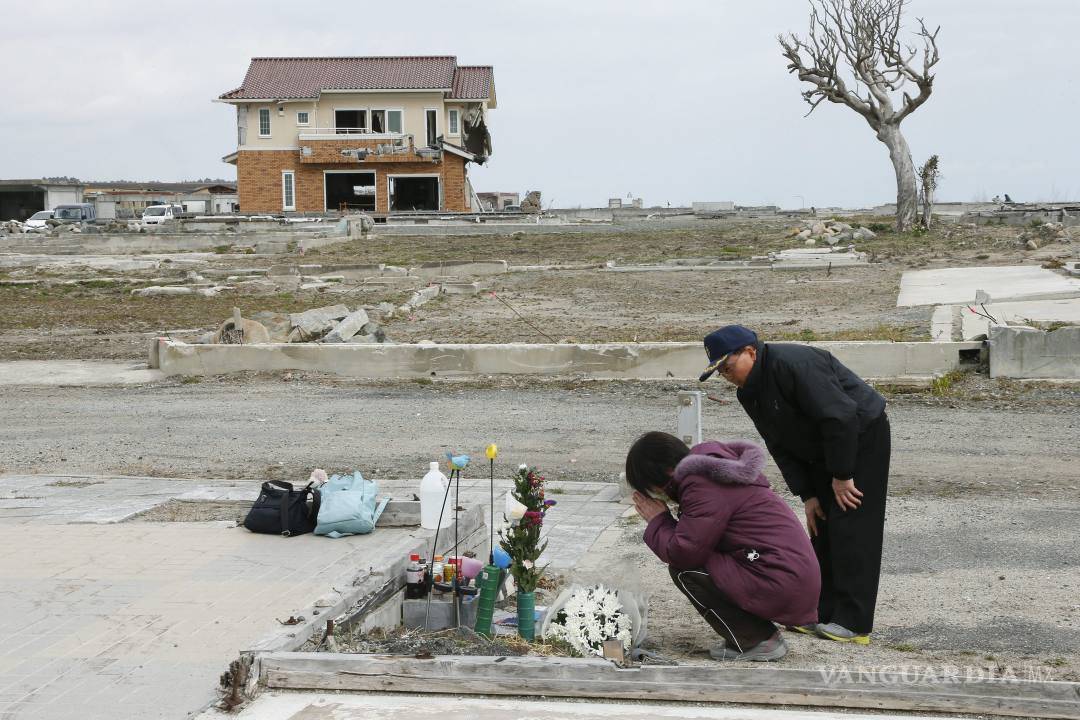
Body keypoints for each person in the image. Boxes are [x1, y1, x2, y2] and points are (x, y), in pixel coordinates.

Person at [698, 325, 890, 645]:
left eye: (728, 368)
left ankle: (854, 623)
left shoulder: (794, 364)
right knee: (822, 524)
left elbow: (840, 417)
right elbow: (779, 444)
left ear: (750, 352)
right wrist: (809, 494)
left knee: (852, 524)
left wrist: (842, 475)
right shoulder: (749, 392)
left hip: (859, 436)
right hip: (819, 447)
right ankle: (820, 613)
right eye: (720, 373)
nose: (726, 377)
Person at [626, 432, 820, 662]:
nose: (657, 495)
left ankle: (757, 641)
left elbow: (684, 552)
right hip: (789, 573)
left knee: (686, 570)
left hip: (781, 579)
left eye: (652, 488)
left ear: (666, 474)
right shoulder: (712, 471)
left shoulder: (702, 484)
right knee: (701, 560)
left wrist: (659, 520)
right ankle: (761, 635)